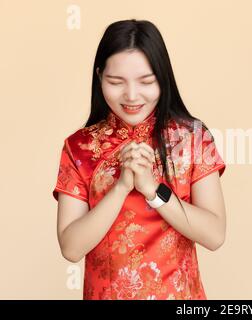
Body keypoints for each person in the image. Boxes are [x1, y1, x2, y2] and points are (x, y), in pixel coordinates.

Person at [52, 19, 226, 300]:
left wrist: (153, 190)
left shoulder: (193, 138)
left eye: (146, 81)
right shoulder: (79, 147)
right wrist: (121, 187)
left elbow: (214, 235)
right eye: (116, 82)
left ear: (162, 78)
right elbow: (71, 248)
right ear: (99, 77)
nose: (131, 95)